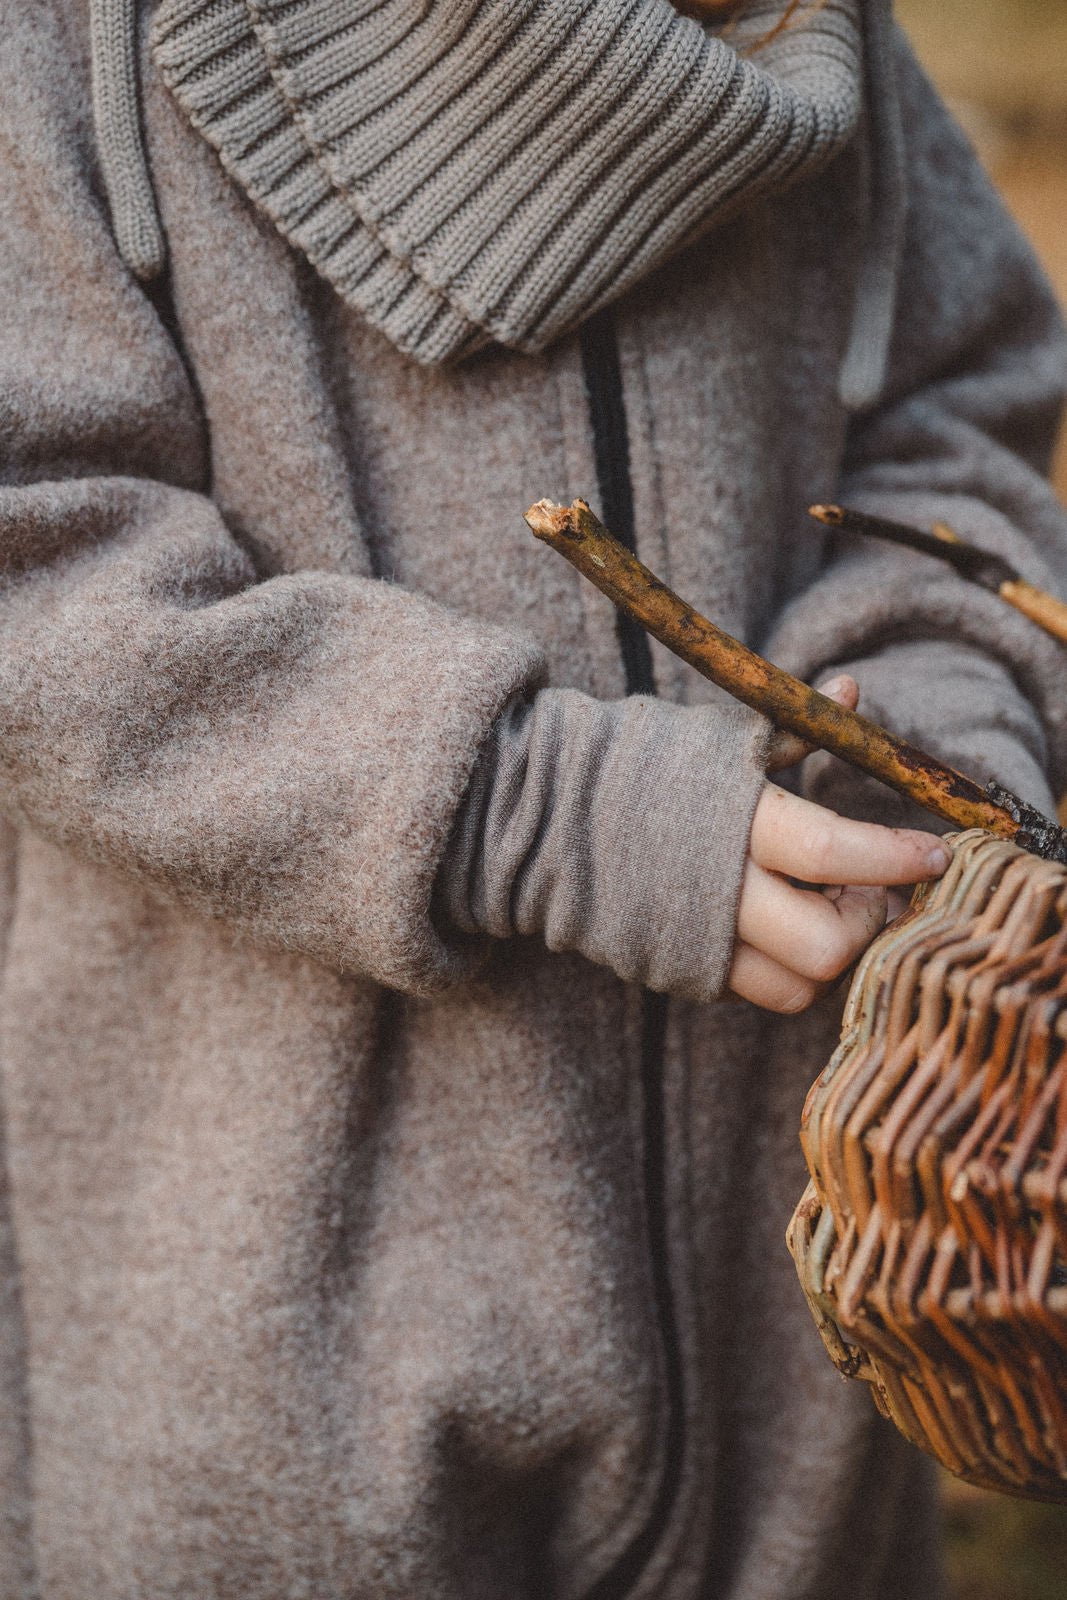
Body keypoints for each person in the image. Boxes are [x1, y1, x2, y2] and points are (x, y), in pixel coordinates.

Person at [1, 1, 1065, 1595]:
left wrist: (924, 714)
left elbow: (960, 416)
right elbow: (41, 563)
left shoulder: (839, 47)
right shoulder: (59, 48)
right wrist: (540, 808)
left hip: (809, 1323)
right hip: (277, 1367)